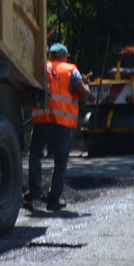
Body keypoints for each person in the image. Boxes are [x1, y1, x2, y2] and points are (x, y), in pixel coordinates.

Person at [27, 41, 91, 211]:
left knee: (35, 155)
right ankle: (53, 199)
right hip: (62, 123)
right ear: (64, 56)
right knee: (60, 162)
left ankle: (34, 191)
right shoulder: (71, 70)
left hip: (41, 120)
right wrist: (86, 85)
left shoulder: (40, 68)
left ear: (50, 56)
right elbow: (84, 95)